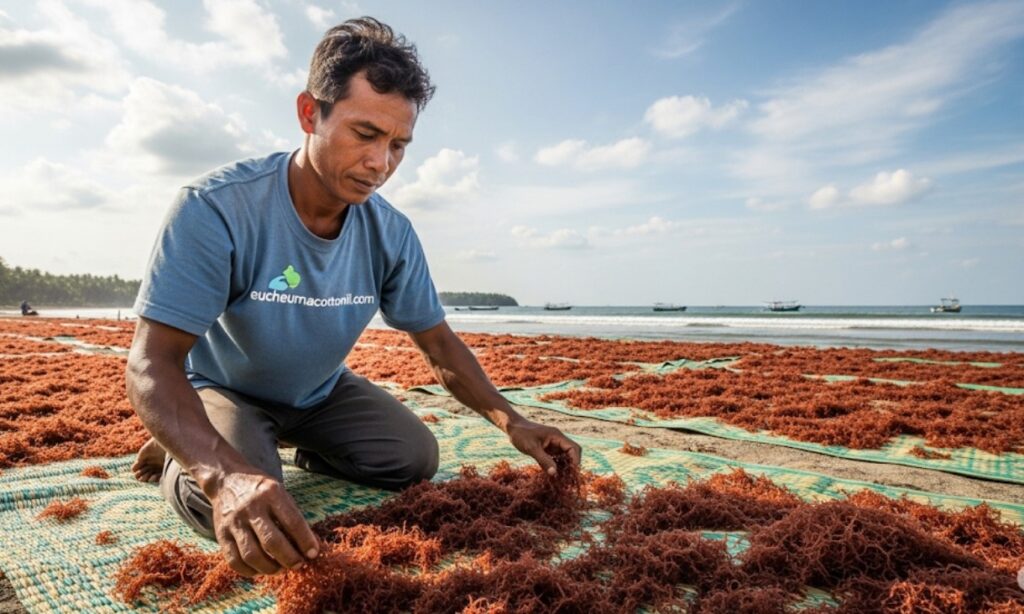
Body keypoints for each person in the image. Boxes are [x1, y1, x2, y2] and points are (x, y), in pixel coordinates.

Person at [126, 17, 581, 579]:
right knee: (247, 508)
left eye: (398, 145)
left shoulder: (391, 232)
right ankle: (187, 447)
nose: (380, 163)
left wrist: (512, 421)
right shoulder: (215, 208)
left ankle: (260, 443)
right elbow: (149, 363)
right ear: (308, 113)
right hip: (224, 387)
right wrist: (223, 475)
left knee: (414, 459)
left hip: (318, 393)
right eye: (365, 134)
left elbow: (439, 345)